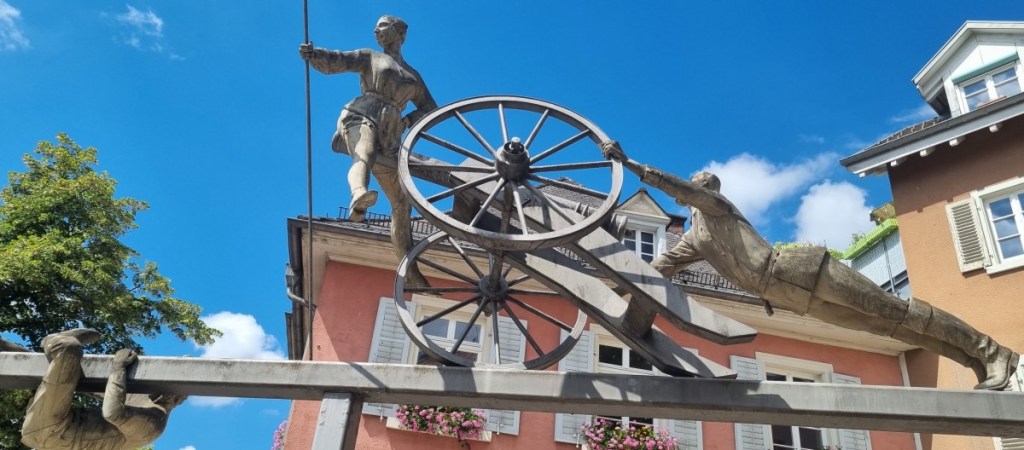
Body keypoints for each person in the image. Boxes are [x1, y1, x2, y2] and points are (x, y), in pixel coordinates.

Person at [600, 141, 1019, 390]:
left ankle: (991, 350)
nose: (698, 190)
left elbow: (680, 188)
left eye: (700, 186)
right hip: (789, 298)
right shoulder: (695, 238)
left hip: (801, 271)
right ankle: (977, 363)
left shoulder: (717, 207)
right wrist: (613, 283)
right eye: (698, 186)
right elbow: (659, 266)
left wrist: (632, 165)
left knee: (896, 310)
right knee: (888, 327)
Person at [299, 15, 437, 288]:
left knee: (402, 203)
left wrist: (407, 120)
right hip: (362, 113)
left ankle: (409, 269)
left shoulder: (413, 76)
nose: (376, 30)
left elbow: (430, 108)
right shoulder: (370, 56)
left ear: (400, 33)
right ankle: (358, 194)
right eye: (376, 27)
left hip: (391, 134)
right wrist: (316, 54)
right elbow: (339, 60)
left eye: (383, 26)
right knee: (365, 150)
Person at [14, 329, 186, 449]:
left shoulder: (154, 424)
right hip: (56, 427)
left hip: (51, 432)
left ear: (179, 399)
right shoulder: (143, 399)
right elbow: (89, 386)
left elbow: (113, 413)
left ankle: (53, 340)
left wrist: (118, 369)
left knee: (69, 348)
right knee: (60, 367)